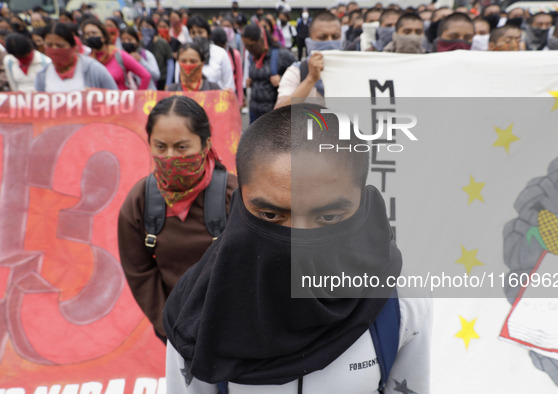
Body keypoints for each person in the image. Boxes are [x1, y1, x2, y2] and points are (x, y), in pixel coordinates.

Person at [163, 103, 432, 393]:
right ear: (240, 203)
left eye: (329, 216)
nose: (298, 243)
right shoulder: (197, 314)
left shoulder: (401, 301)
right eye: (270, 215)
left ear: (363, 204)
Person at [118, 95, 237, 343]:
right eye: (160, 147)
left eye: (182, 147)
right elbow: (139, 273)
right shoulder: (139, 203)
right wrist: (169, 326)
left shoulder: (235, 197)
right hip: (175, 332)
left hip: (232, 325)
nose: (171, 157)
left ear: (205, 145)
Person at [275, 11, 340, 108]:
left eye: (335, 37)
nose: (330, 42)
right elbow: (277, 115)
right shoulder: (296, 72)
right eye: (322, 37)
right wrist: (310, 79)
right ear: (310, 40)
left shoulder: (353, 71)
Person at [35, 22, 117, 92]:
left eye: (60, 45)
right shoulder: (42, 75)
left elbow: (115, 97)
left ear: (72, 47)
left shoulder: (93, 69)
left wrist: (98, 94)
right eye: (49, 45)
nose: (55, 49)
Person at [242, 23, 296, 123]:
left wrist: (282, 79)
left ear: (260, 40)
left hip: (273, 115)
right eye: (246, 46)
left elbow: (299, 74)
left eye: (251, 45)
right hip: (254, 113)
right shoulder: (253, 57)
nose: (249, 49)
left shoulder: (280, 54)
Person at [80, 19, 151, 90]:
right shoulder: (87, 60)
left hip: (121, 100)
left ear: (103, 36)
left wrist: (138, 97)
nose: (91, 36)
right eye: (87, 34)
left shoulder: (119, 55)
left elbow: (146, 75)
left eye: (94, 33)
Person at [185, 15, 236, 91]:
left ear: (208, 33)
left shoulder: (220, 53)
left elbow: (229, 84)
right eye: (193, 33)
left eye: (200, 32)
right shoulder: (185, 54)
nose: (197, 36)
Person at [139, 17, 174, 90]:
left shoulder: (162, 43)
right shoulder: (140, 43)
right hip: (148, 81)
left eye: (148, 26)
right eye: (143, 27)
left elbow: (170, 63)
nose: (145, 29)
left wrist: (168, 84)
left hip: (162, 80)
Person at [211, 27, 243, 104]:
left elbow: (239, 79)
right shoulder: (210, 55)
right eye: (216, 44)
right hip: (213, 97)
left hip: (228, 96)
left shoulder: (235, 54)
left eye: (222, 45)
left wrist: (240, 101)